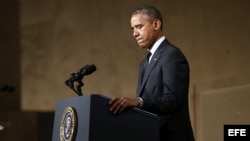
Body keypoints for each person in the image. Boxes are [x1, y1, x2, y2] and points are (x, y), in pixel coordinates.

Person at [109, 5, 195, 141]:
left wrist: (139, 102)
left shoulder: (171, 55)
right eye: (133, 29)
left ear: (156, 24)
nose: (134, 34)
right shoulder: (143, 64)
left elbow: (174, 100)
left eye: (139, 27)